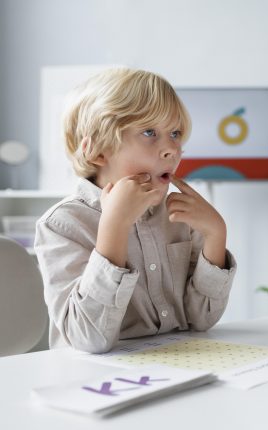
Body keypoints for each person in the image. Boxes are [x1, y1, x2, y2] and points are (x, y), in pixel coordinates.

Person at [35, 68, 236, 353]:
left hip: (175, 366)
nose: (171, 149)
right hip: (92, 382)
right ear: (98, 151)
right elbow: (86, 338)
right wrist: (114, 227)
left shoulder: (180, 214)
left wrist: (216, 235)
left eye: (175, 133)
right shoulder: (63, 224)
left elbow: (201, 320)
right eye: (149, 132)